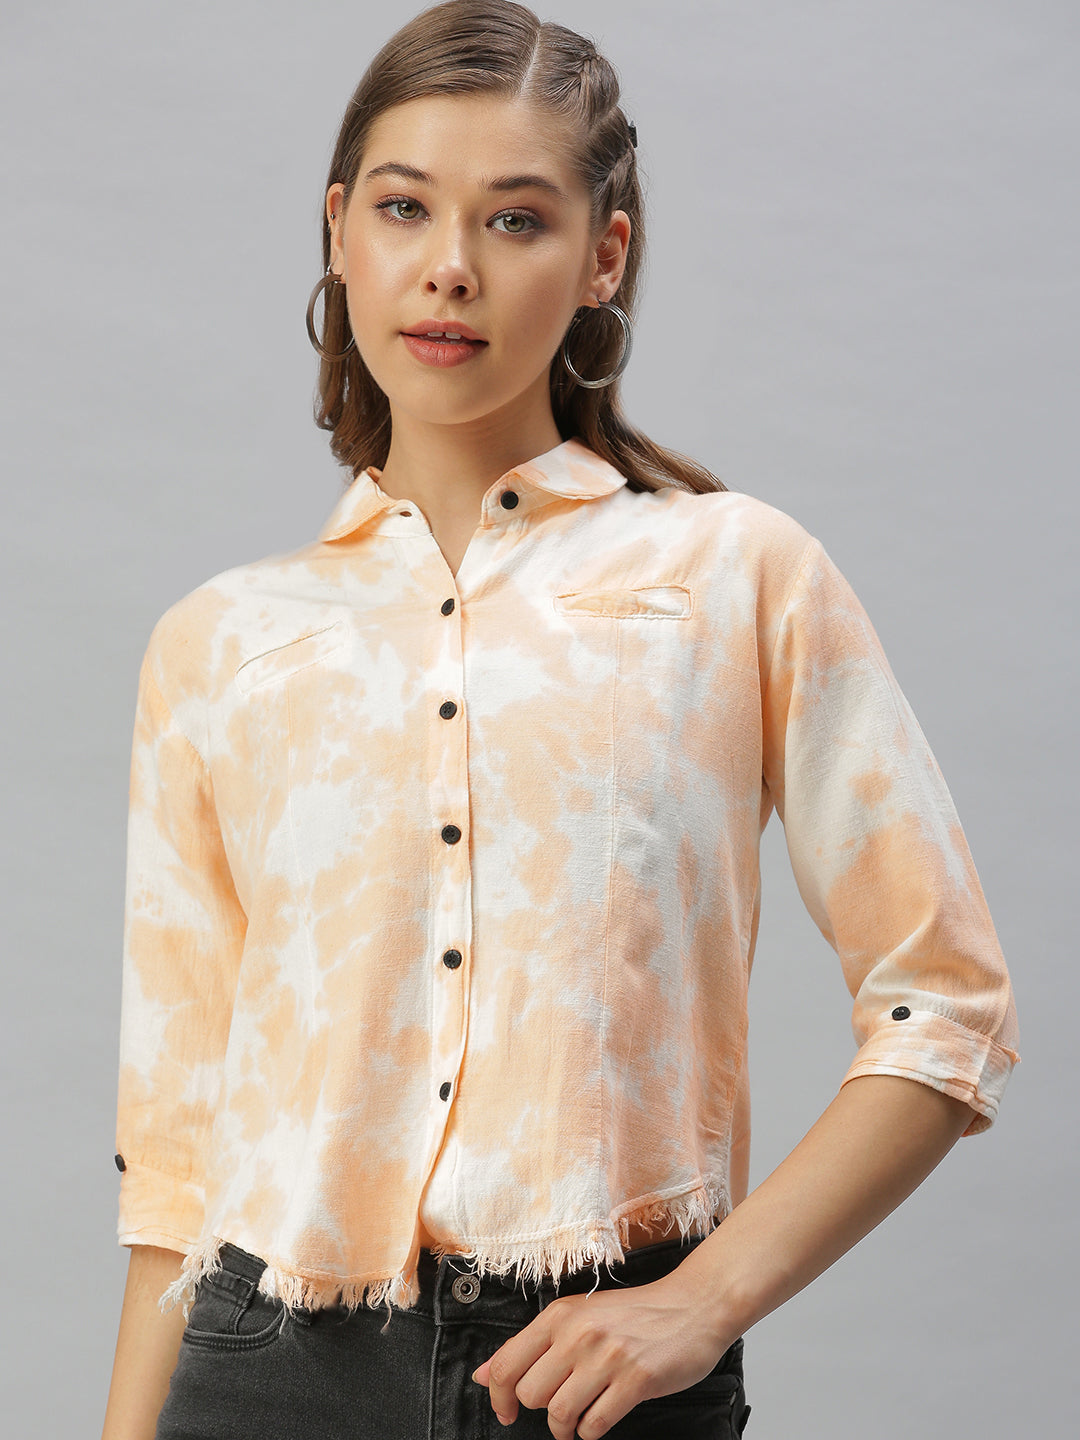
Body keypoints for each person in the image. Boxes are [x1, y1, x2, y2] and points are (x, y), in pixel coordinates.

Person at [101, 2, 1021, 1437]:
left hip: (591, 1384)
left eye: (517, 219)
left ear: (605, 256)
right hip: (260, 1371)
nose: (450, 267)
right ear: (340, 230)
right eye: (404, 207)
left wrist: (703, 1301)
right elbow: (174, 1159)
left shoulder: (735, 577)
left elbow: (945, 1006)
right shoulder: (220, 643)